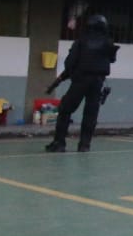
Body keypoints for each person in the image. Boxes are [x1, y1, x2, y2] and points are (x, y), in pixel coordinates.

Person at [45, 14, 118, 153]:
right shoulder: (108, 43)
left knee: (65, 110)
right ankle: (84, 145)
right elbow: (112, 59)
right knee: (91, 114)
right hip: (98, 83)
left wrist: (66, 76)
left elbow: (70, 63)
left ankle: (59, 143)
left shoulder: (81, 42)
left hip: (80, 81)